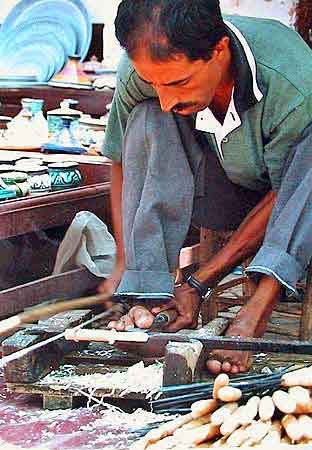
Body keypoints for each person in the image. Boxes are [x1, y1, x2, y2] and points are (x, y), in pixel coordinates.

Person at [99, 0, 312, 375]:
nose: (167, 97)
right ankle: (150, 300)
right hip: (210, 192)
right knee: (148, 116)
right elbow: (120, 160)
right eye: (154, 83)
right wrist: (125, 262)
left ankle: (257, 310)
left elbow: (288, 195)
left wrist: (201, 280)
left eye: (179, 82)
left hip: (285, 200)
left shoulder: (291, 80)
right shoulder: (144, 67)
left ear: (219, 50)